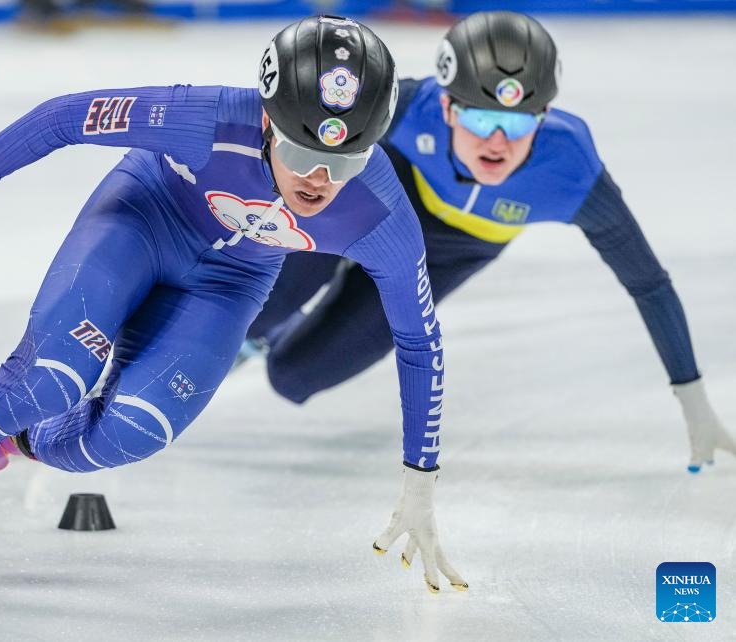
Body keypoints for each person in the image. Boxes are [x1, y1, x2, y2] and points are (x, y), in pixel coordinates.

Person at [0, 16, 467, 601]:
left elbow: (418, 340)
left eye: (346, 162)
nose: (319, 180)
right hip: (142, 221)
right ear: (267, 121)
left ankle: (8, 441)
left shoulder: (379, 214)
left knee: (134, 432)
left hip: (228, 284)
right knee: (47, 380)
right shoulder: (207, 118)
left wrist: (420, 476)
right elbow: (68, 117)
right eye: (304, 152)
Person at [241, 11, 734, 475]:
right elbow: (287, 131)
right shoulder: (408, 107)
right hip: (374, 210)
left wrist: (692, 397)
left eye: (519, 123)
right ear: (447, 108)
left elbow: (648, 283)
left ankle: (277, 337)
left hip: (449, 255)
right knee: (258, 308)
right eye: (480, 120)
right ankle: (264, 324)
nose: (498, 141)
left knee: (293, 377)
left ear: (543, 116)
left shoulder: (572, 171)